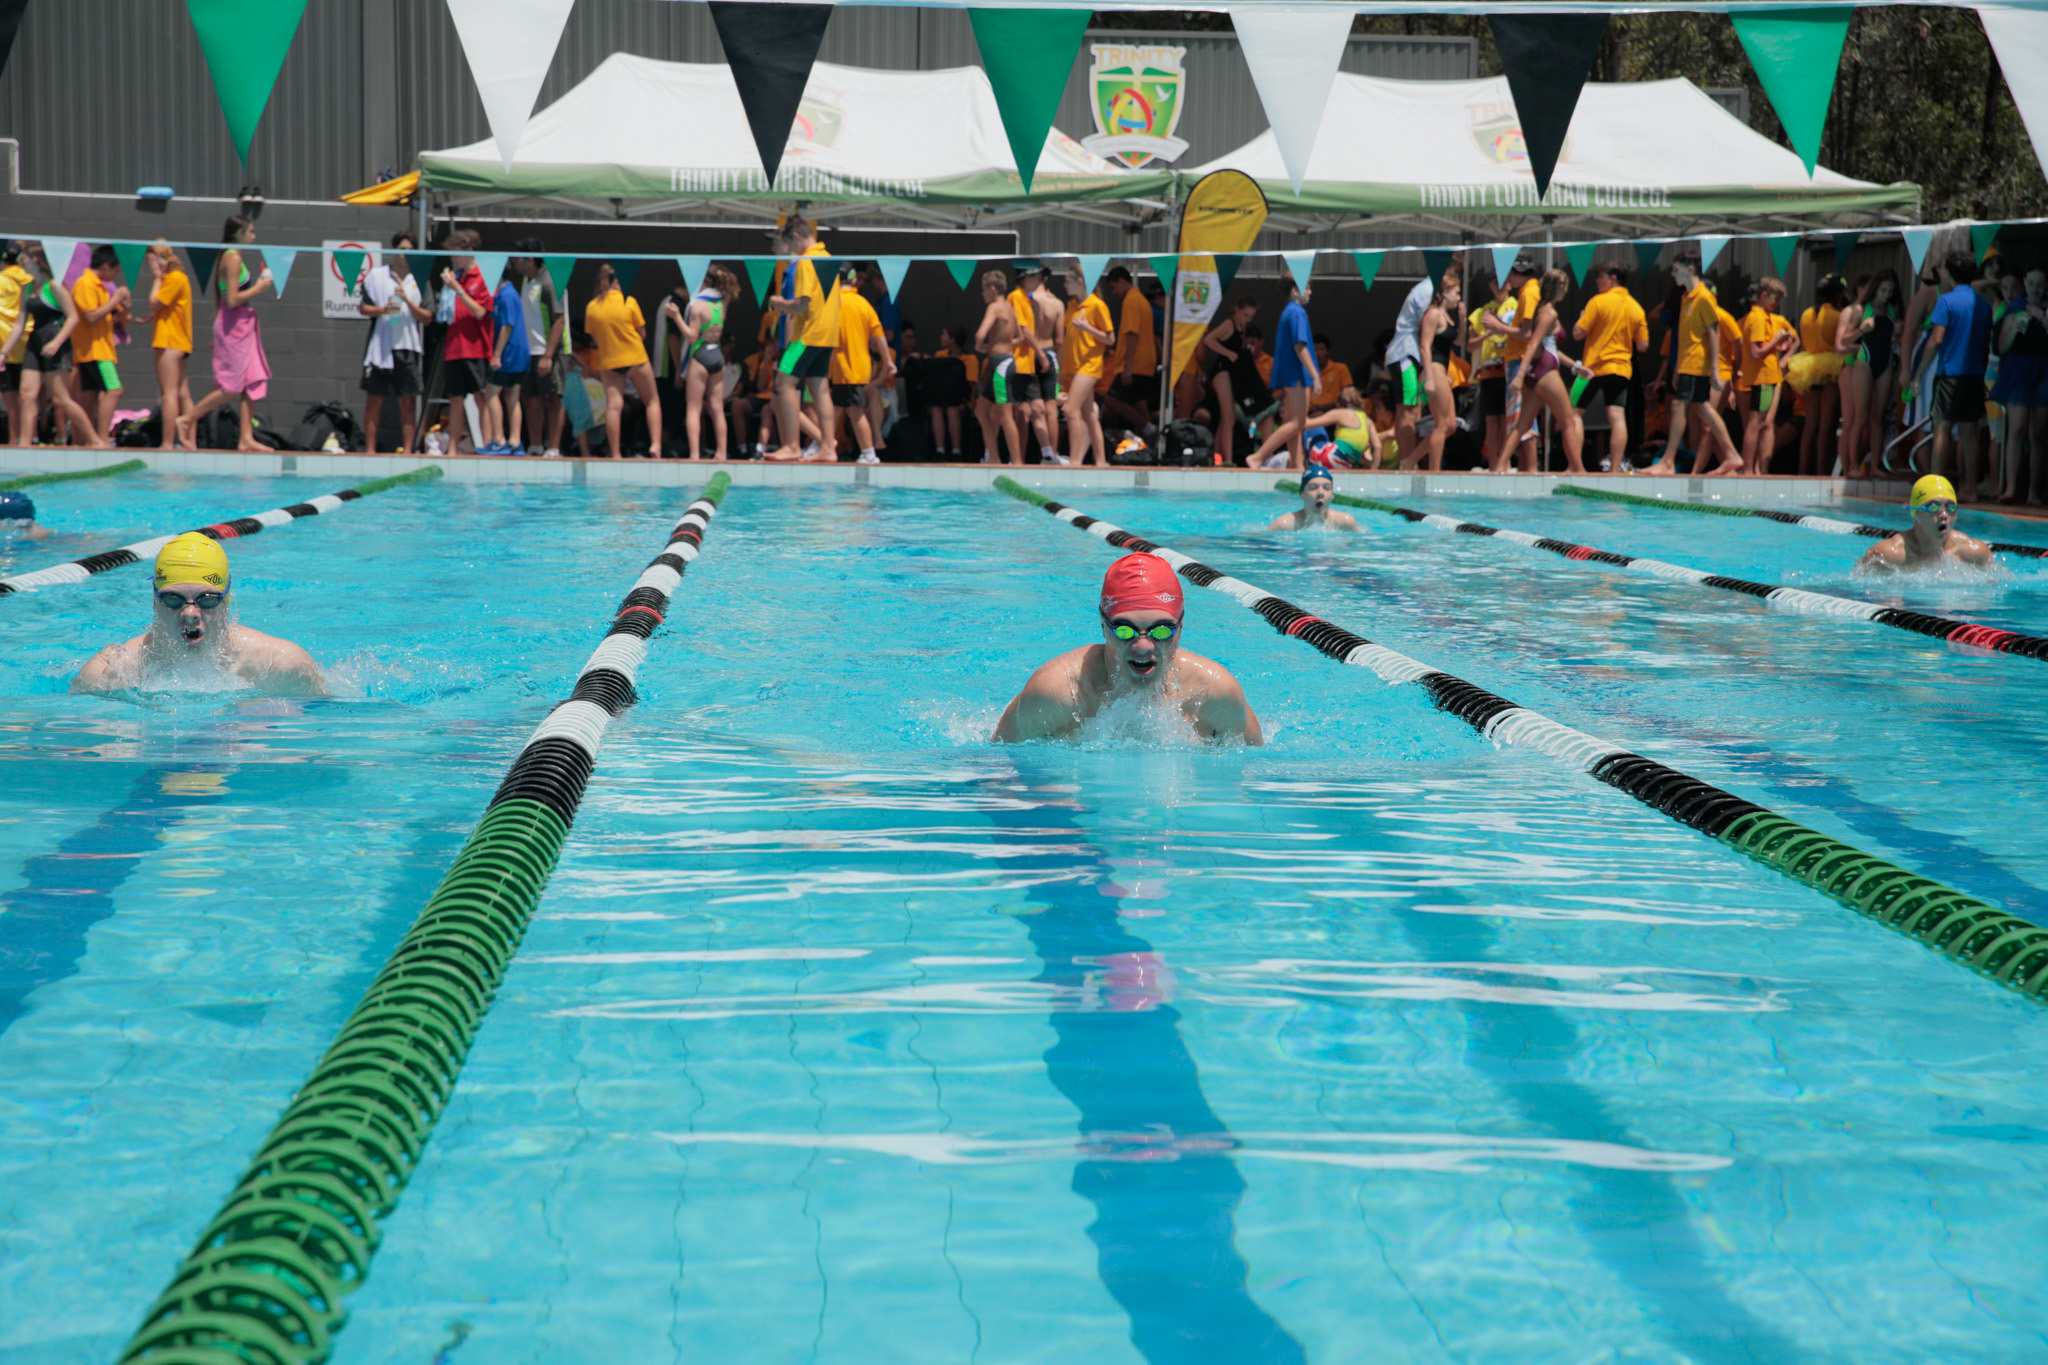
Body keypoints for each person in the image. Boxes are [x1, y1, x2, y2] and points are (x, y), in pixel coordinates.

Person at [993, 551, 1261, 744]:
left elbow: (1253, 780)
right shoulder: (1057, 693)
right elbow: (1002, 771)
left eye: (1161, 630)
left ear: (1180, 628)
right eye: (1124, 630)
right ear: (1103, 626)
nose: (1143, 646)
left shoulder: (1215, 694)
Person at [70, 532, 325, 696]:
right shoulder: (110, 674)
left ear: (227, 600)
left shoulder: (279, 666)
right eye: (173, 599)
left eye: (207, 600)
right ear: (155, 600)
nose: (190, 613)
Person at [179, 217, 275, 452]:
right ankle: (187, 419)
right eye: (250, 232)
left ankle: (246, 438)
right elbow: (231, 299)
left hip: (243, 326)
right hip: (234, 327)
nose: (254, 236)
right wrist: (259, 287)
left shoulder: (233, 256)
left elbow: (221, 299)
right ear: (238, 233)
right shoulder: (232, 258)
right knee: (231, 387)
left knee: (253, 381)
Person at [1908, 250, 1994, 501]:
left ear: (1950, 272)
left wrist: (1917, 375)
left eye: (1943, 268)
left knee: (1942, 429)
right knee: (1969, 433)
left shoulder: (1946, 301)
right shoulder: (1984, 305)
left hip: (1949, 375)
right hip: (1975, 375)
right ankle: (1970, 489)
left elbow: (1936, 340)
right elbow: (1985, 344)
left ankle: (1936, 491)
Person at [1648, 251, 1739, 477]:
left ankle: (1668, 461)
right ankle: (1731, 455)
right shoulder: (1686, 298)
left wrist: (1715, 368)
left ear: (1690, 270)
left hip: (1697, 362)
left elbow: (1714, 332)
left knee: (1679, 406)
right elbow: (1685, 336)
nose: (1672, 274)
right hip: (1687, 363)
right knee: (1702, 408)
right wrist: (1678, 368)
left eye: (1676, 269)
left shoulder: (1704, 297)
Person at [3, 243, 102, 448]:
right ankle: (25, 444)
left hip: (55, 343)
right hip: (35, 344)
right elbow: (20, 323)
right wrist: (4, 352)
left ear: (36, 261)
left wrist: (57, 342)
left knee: (61, 399)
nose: (21, 263)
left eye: (24, 260)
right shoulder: (28, 287)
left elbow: (73, 317)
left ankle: (94, 440)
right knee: (26, 395)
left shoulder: (54, 285)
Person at [765, 216, 837, 463]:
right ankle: (828, 448)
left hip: (806, 336)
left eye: (790, 243)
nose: (790, 250)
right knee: (820, 389)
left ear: (796, 237)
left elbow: (801, 305)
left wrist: (779, 303)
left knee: (783, 383)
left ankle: (792, 445)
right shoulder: (828, 258)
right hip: (827, 335)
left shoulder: (806, 261)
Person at [1504, 269, 1587, 475]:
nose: (1566, 290)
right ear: (1557, 287)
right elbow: (1533, 344)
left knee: (1521, 426)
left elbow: (1550, 347)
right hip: (1546, 371)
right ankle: (1577, 469)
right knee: (1568, 421)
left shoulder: (1541, 311)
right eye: (1564, 286)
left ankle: (1499, 466)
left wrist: (1575, 367)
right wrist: (1519, 376)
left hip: (1537, 371)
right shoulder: (1549, 313)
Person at [1569, 261, 1648, 473]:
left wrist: (1582, 319)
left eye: (1601, 276)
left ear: (1613, 278)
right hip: (1621, 369)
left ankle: (1575, 467)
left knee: (1573, 413)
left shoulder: (1598, 302)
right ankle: (1614, 470)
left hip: (1592, 368)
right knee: (1617, 417)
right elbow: (1643, 345)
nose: (1597, 281)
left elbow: (1577, 333)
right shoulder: (1636, 307)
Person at [358, 232, 429, 455]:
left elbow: (428, 317)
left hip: (407, 348)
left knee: (407, 402)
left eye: (410, 251)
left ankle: (407, 451)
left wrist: (407, 300)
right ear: (393, 251)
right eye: (401, 249)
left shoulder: (420, 279)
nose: (405, 254)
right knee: (374, 400)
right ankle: (370, 450)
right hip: (380, 347)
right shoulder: (376, 276)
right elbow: (363, 308)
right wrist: (383, 309)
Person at [583, 261, 661, 459]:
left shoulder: (592, 307)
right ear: (617, 282)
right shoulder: (628, 301)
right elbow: (642, 333)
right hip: (635, 358)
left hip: (610, 361)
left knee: (614, 407)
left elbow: (596, 340)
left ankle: (616, 453)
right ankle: (655, 446)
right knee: (652, 401)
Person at [428, 229, 493, 456]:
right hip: (454, 348)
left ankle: (486, 446)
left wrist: (458, 290)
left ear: (470, 251)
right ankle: (453, 450)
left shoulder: (482, 278)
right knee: (455, 400)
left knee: (481, 398)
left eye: (456, 254)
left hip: (476, 348)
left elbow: (480, 312)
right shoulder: (458, 278)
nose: (453, 259)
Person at [666, 265, 738, 460]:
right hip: (717, 354)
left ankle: (695, 454)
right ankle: (721, 453)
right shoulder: (722, 302)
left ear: (704, 283)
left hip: (701, 354)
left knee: (693, 408)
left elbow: (691, 337)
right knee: (717, 408)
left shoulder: (697, 306)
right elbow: (727, 290)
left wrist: (676, 316)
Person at [1992, 263, 2048, 504]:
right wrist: (2015, 329)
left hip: (2043, 371)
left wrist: (2040, 316)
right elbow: (2001, 346)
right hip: (2018, 371)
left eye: (2040, 284)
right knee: (2016, 428)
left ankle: (2033, 492)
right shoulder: (2015, 307)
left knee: (2038, 433)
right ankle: (2011, 488)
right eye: (2031, 283)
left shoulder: (2045, 307)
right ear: (2025, 282)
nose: (2035, 288)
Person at [1857, 475, 1992, 573]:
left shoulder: (1974, 553)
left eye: (1950, 507)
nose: (1944, 514)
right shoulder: (1888, 555)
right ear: (1915, 512)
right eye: (1933, 507)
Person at [830, 264, 890, 465]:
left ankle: (868, 452)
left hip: (846, 368)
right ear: (854, 280)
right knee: (836, 408)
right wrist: (888, 361)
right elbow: (879, 334)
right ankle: (823, 444)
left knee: (854, 412)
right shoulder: (864, 304)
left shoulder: (833, 303)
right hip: (856, 367)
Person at [1790, 275, 1849, 476]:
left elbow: (1805, 343)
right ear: (1838, 294)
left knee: (1810, 423)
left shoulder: (1806, 314)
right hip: (1831, 368)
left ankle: (1802, 470)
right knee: (1827, 424)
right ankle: (1822, 472)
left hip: (1808, 366)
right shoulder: (1838, 316)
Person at [70, 246, 130, 444]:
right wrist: (115, 300)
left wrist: (122, 311)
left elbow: (104, 320)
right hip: (95, 351)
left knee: (89, 396)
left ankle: (85, 442)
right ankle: (102, 439)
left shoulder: (99, 286)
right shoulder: (86, 283)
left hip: (95, 349)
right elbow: (91, 317)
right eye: (116, 271)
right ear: (105, 266)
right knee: (114, 390)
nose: (116, 276)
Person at [1737, 277, 1794, 477]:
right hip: (1762, 378)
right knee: (1755, 423)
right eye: (1775, 299)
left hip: (1767, 377)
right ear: (1763, 296)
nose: (1777, 304)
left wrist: (1778, 348)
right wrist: (1776, 341)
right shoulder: (1757, 318)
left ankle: (1758, 470)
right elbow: (1755, 353)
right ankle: (1748, 470)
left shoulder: (1764, 317)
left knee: (1762, 423)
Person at [1847, 270, 1900, 478]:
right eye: (1883, 290)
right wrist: (1861, 331)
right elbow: (1843, 341)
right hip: (1864, 363)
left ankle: (1875, 466)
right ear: (1876, 288)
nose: (1886, 295)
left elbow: (1898, 342)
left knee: (1878, 418)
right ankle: (1853, 466)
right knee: (1861, 418)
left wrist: (1899, 332)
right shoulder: (1861, 309)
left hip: (1885, 364)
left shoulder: (1893, 310)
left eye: (1890, 291)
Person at [515, 242, 566, 458]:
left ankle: (553, 448)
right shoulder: (526, 281)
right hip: (529, 351)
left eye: (517, 258)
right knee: (530, 399)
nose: (513, 262)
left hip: (549, 351)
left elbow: (559, 320)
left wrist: (548, 355)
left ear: (530, 259)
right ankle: (536, 445)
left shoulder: (549, 282)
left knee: (552, 399)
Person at [1061, 264, 1115, 466]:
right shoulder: (1072, 306)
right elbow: (1066, 339)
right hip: (1074, 366)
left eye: (1067, 280)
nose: (1064, 284)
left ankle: (1075, 462)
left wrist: (1087, 328)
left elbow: (1110, 339)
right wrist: (1060, 369)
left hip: (1089, 365)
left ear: (1080, 281)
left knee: (1070, 410)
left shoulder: (1097, 305)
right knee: (1089, 414)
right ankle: (1100, 461)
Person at [1199, 294, 1261, 466]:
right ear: (1237, 310)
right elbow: (1208, 340)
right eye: (1245, 315)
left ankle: (1217, 456)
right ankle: (1227, 459)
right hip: (1221, 371)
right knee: (1229, 418)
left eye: (1251, 316)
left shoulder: (1242, 327)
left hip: (1231, 373)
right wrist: (1228, 353)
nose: (1248, 319)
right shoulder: (1229, 324)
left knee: (1226, 418)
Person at [144, 242, 194, 452]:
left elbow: (154, 303)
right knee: (182, 393)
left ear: (158, 260)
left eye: (150, 263)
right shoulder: (177, 278)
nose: (149, 267)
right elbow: (168, 308)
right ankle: (190, 442)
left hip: (170, 342)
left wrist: (156, 279)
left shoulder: (173, 278)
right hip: (179, 342)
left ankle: (167, 443)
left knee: (169, 394)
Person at [972, 268, 1026, 465]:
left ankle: (1017, 462)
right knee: (981, 411)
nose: (982, 294)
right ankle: (993, 457)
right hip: (1005, 361)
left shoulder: (994, 307)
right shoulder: (1009, 307)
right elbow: (1020, 337)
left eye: (983, 289)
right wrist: (1000, 344)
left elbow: (980, 334)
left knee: (1005, 414)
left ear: (992, 289)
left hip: (1000, 365)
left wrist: (981, 346)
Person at [476, 261, 530, 454]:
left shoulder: (506, 295)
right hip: (519, 352)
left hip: (510, 351)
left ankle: (499, 439)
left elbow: (507, 326)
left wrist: (496, 355)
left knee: (491, 393)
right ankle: (515, 442)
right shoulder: (506, 294)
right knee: (512, 396)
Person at [1266, 270, 1317, 472]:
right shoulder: (1297, 312)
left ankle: (1296, 465)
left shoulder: (1289, 311)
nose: (1310, 292)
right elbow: (1300, 346)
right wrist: (1315, 376)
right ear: (1295, 291)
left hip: (1291, 374)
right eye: (1307, 287)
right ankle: (1258, 456)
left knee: (1294, 423)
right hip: (1297, 374)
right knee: (1298, 422)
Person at [1099, 266, 1156, 434]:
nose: (1114, 293)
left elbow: (1132, 334)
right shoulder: (1142, 300)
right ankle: (1149, 441)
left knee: (1111, 400)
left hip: (1136, 363)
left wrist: (1127, 368)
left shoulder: (1131, 301)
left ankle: (1148, 428)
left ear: (1122, 281)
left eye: (1114, 288)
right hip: (1146, 363)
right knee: (1139, 404)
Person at [1416, 275, 1460, 472]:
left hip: (1441, 371)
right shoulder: (1432, 314)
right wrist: (1429, 378)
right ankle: (1434, 472)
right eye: (1456, 293)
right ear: (1444, 293)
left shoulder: (1446, 316)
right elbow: (1425, 346)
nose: (1459, 298)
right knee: (1442, 425)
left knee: (1450, 426)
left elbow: (1458, 342)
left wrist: (1463, 320)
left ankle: (1410, 460)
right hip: (1433, 369)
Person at [1023, 262, 1065, 462]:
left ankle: (1018, 457)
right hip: (1049, 353)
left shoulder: (1025, 300)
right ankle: (1051, 456)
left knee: (1024, 407)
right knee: (1050, 408)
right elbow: (1060, 341)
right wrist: (1060, 372)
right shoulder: (1057, 304)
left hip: (1028, 355)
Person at [0, 242, 33, 444]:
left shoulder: (1, 279)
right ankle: (30, 438)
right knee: (28, 398)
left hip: (4, 344)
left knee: (11, 399)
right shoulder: (30, 280)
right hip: (27, 343)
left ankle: (15, 443)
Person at [1268, 463, 1359, 532]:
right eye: (1313, 488)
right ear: (1302, 494)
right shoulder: (1285, 525)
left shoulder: (1345, 523)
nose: (1320, 493)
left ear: (1332, 495)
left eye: (1326, 488)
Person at [927, 324, 972, 459]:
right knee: (936, 408)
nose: (941, 337)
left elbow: (970, 386)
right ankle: (940, 450)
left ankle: (956, 451)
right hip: (940, 399)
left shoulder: (970, 359)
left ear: (953, 340)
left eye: (944, 335)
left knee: (952, 409)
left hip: (961, 401)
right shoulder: (939, 356)